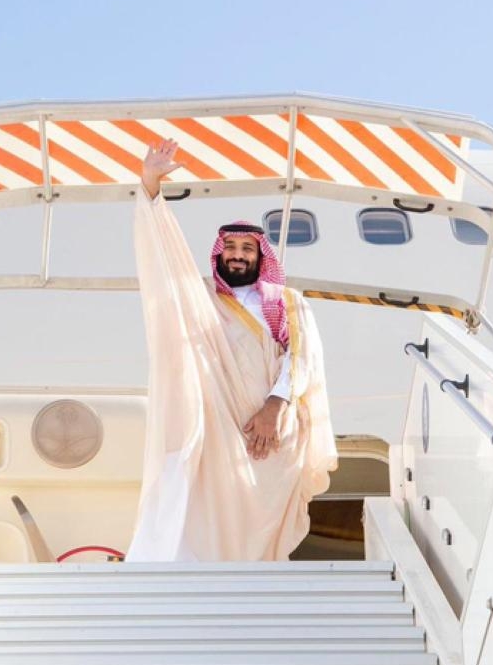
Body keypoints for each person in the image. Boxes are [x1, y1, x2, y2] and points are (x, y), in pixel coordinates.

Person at [126, 138, 338, 562]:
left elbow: (302, 360)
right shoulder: (200, 298)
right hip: (219, 426)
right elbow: (163, 257)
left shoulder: (286, 301)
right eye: (231, 248)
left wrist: (274, 408)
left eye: (247, 249)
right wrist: (151, 186)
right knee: (205, 504)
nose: (238, 256)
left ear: (261, 257)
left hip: (273, 431)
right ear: (219, 254)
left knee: (263, 529)